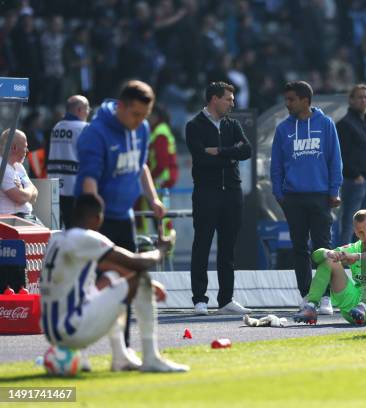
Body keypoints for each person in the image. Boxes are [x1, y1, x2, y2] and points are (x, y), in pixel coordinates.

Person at [40, 193, 188, 373]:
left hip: (51, 329)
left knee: (111, 277)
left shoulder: (57, 238)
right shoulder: (86, 237)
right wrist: (161, 250)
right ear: (97, 218)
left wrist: (149, 285)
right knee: (140, 279)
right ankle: (151, 358)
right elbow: (136, 262)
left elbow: (108, 265)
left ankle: (120, 357)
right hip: (71, 329)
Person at [75, 80, 166, 350]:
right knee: (95, 286)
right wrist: (96, 217)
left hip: (124, 216)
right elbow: (89, 179)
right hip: (96, 221)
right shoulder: (96, 133)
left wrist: (154, 199)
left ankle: (123, 350)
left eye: (144, 116)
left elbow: (141, 167)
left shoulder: (142, 129)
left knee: (128, 285)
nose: (140, 122)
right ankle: (77, 346)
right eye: (136, 115)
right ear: (122, 107)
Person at [271, 81, 343, 315]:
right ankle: (306, 296)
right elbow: (276, 165)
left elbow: (335, 160)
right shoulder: (283, 129)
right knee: (299, 248)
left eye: (291, 99)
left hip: (321, 196)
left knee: (323, 248)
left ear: (305, 100)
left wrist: (334, 190)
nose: (287, 104)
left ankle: (325, 297)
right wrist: (279, 193)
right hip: (293, 197)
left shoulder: (326, 124)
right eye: (286, 99)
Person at [186, 81, 252, 316]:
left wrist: (220, 151)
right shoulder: (194, 126)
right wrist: (231, 154)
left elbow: (247, 151)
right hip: (206, 193)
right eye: (228, 99)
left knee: (228, 249)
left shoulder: (232, 124)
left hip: (232, 193)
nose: (232, 103)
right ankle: (199, 299)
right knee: (202, 246)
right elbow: (201, 159)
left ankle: (226, 299)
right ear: (214, 99)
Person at [294, 210, 366, 325]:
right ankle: (311, 307)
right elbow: (316, 257)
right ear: (355, 233)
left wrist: (358, 257)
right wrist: (328, 253)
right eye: (361, 232)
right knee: (329, 261)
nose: (365, 235)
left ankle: (363, 305)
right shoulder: (354, 247)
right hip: (353, 310)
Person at [336, 84, 366, 246]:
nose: (363, 100)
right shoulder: (345, 124)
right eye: (359, 97)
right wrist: (355, 175)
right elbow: (341, 155)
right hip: (354, 182)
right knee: (349, 224)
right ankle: (343, 261)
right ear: (351, 100)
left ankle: (358, 260)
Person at [47, 95, 90, 228]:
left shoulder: (57, 127)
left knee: (57, 228)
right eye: (87, 109)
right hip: (75, 187)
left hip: (55, 185)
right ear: (79, 110)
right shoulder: (84, 128)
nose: (88, 112)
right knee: (75, 228)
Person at [135, 104, 178, 240]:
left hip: (160, 182)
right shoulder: (157, 130)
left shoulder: (160, 132)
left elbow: (161, 162)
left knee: (161, 218)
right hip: (159, 182)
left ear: (155, 116)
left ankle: (165, 253)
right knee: (159, 218)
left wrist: (149, 179)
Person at [0, 129, 40, 224]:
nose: (27, 151)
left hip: (25, 217)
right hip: (11, 220)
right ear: (14, 148)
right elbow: (20, 198)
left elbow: (35, 194)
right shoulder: (2, 167)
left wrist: (24, 190)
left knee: (49, 236)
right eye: (25, 147)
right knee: (47, 237)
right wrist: (29, 190)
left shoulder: (18, 166)